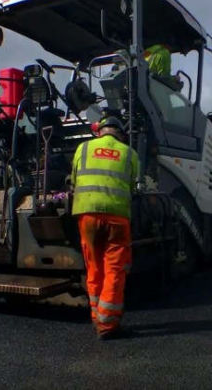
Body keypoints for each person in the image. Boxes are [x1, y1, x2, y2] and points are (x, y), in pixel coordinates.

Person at [71, 116, 139, 340]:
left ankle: (95, 316)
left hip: (87, 215)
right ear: (119, 133)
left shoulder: (83, 148)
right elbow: (132, 186)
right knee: (114, 269)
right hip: (117, 218)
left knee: (94, 268)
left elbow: (74, 181)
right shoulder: (129, 153)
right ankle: (107, 325)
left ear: (99, 131)